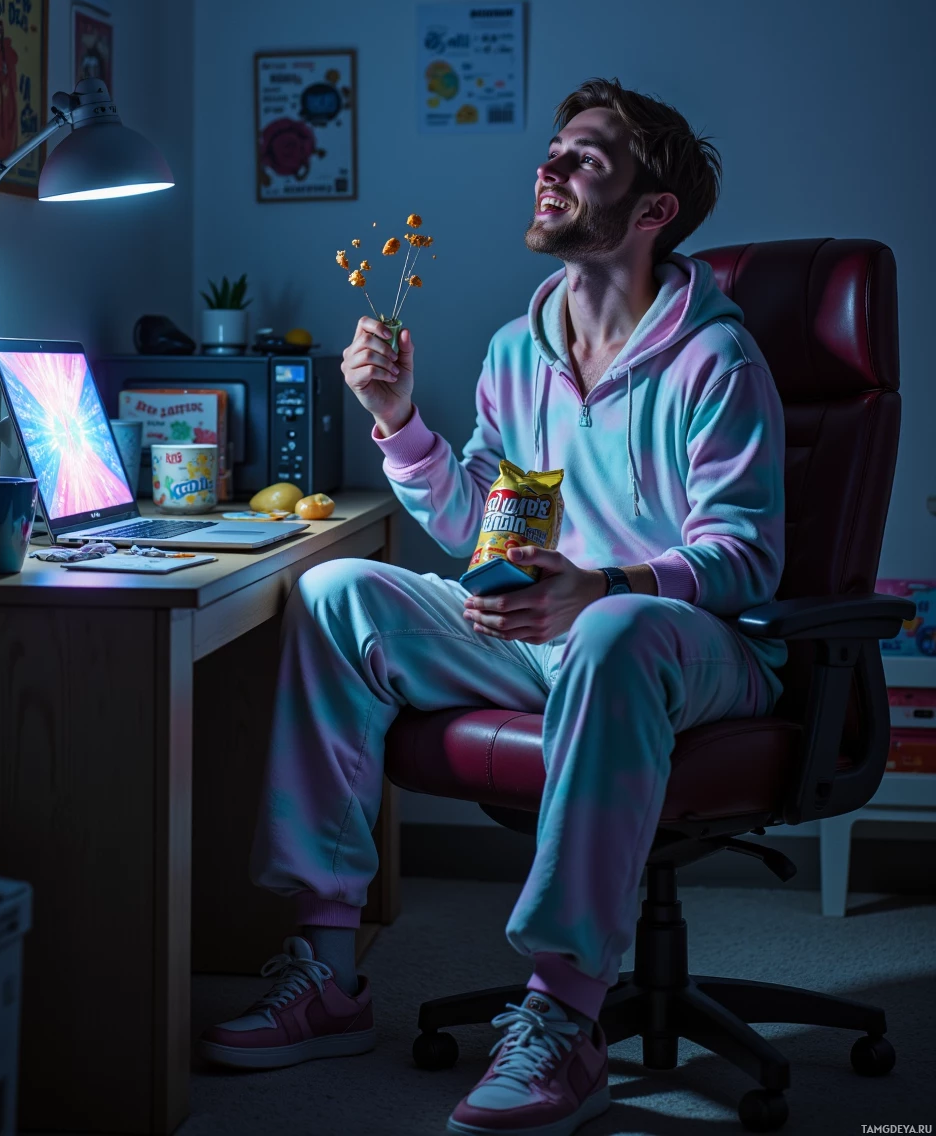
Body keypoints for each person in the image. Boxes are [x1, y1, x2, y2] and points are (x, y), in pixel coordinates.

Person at [200, 77, 786, 1136]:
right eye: (552, 150)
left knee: (610, 632)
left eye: (586, 158)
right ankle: (325, 970)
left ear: (653, 213)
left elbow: (745, 561)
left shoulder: (715, 357)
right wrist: (397, 422)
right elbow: (492, 529)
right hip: (560, 635)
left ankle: (565, 1016)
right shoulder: (524, 351)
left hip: (692, 647)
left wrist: (602, 586)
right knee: (335, 592)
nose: (549, 167)